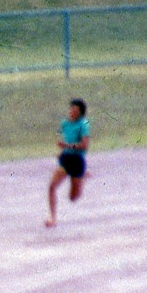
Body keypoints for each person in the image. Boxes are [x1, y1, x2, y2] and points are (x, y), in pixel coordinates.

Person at [45, 98, 91, 228]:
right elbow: (67, 138)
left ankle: (82, 178)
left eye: (75, 110)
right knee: (52, 186)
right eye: (71, 109)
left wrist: (67, 146)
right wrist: (63, 151)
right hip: (66, 159)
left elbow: (84, 145)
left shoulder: (83, 125)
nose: (71, 112)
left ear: (80, 113)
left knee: (73, 198)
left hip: (77, 161)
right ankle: (52, 218)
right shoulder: (65, 124)